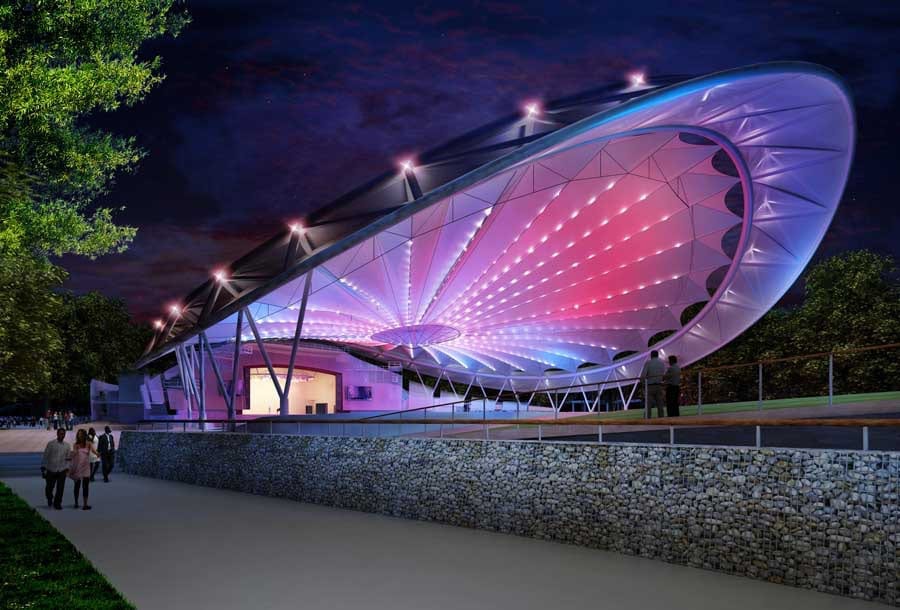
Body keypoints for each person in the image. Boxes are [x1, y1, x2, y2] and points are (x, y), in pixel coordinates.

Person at [41, 428, 71, 510]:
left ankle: (57, 503)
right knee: (49, 488)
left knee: (60, 489)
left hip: (62, 470)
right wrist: (43, 468)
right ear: (57, 434)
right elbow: (45, 456)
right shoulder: (51, 444)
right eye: (60, 433)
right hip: (51, 469)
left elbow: (68, 458)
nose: (62, 435)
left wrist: (67, 468)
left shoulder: (67, 445)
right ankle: (50, 498)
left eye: (63, 434)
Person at [69, 429, 97, 510]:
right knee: (77, 486)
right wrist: (70, 456)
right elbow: (74, 453)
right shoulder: (76, 444)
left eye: (81, 434)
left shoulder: (89, 444)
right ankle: (76, 502)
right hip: (78, 466)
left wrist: (98, 454)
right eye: (78, 434)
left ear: (84, 435)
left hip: (86, 467)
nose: (79, 436)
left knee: (85, 486)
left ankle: (85, 504)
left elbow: (94, 451)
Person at [640, 350, 666, 418]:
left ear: (651, 355)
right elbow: (664, 374)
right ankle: (661, 419)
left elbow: (643, 376)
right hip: (659, 385)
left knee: (648, 405)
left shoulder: (648, 363)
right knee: (660, 405)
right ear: (657, 355)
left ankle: (647, 419)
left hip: (650, 386)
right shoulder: (662, 363)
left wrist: (643, 384)